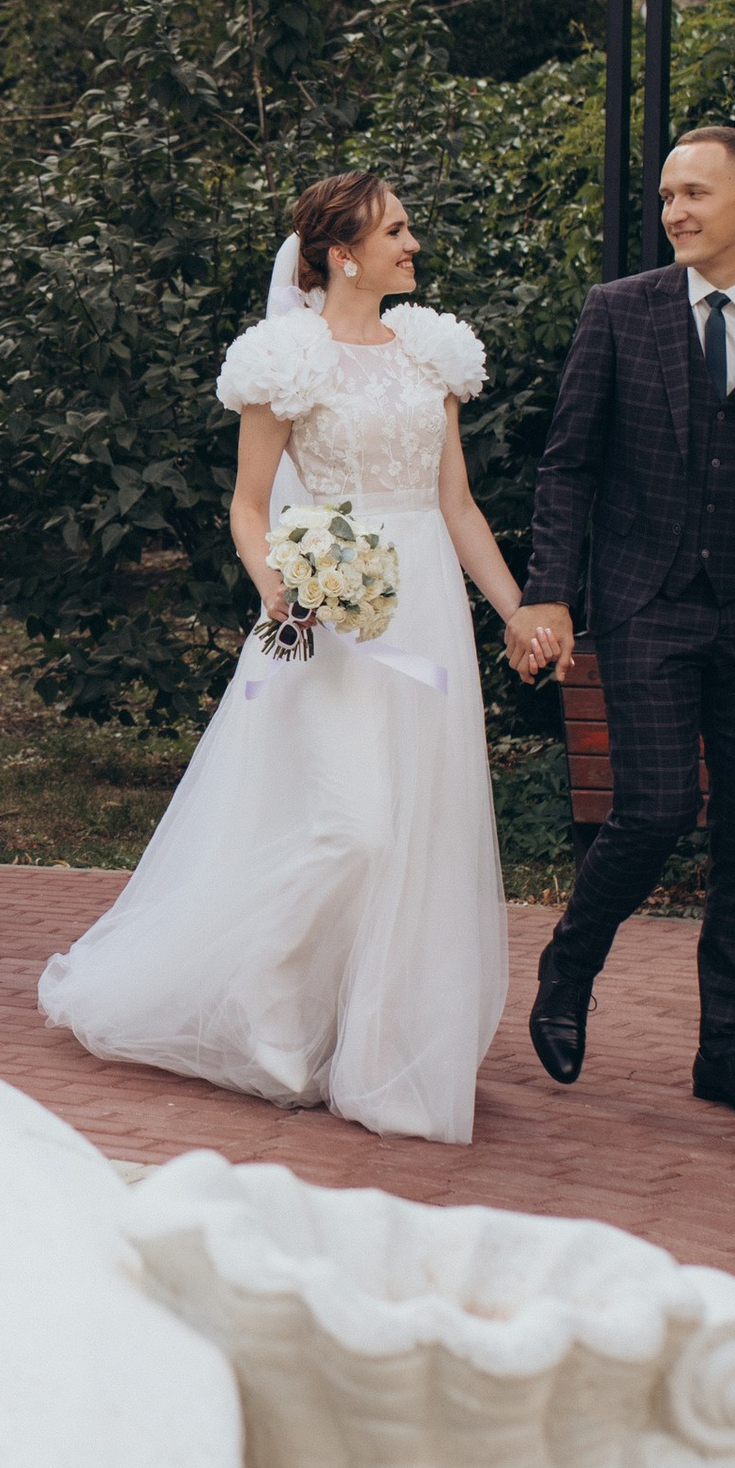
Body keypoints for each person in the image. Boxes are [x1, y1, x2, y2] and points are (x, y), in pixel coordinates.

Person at [39, 169, 552, 1144]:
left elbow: (456, 505)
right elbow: (248, 505)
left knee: (416, 832)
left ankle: (380, 1044)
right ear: (342, 254)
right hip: (332, 623)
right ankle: (263, 989)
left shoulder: (431, 354)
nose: (413, 245)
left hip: (425, 611)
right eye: (395, 231)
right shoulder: (287, 361)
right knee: (355, 830)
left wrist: (515, 609)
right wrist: (280, 584)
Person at [508, 124, 735, 1123]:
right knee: (658, 808)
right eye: (667, 195)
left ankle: (726, 1051)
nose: (674, 211)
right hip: (647, 601)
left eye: (694, 194)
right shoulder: (617, 311)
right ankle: (568, 967)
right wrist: (550, 590)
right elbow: (568, 466)